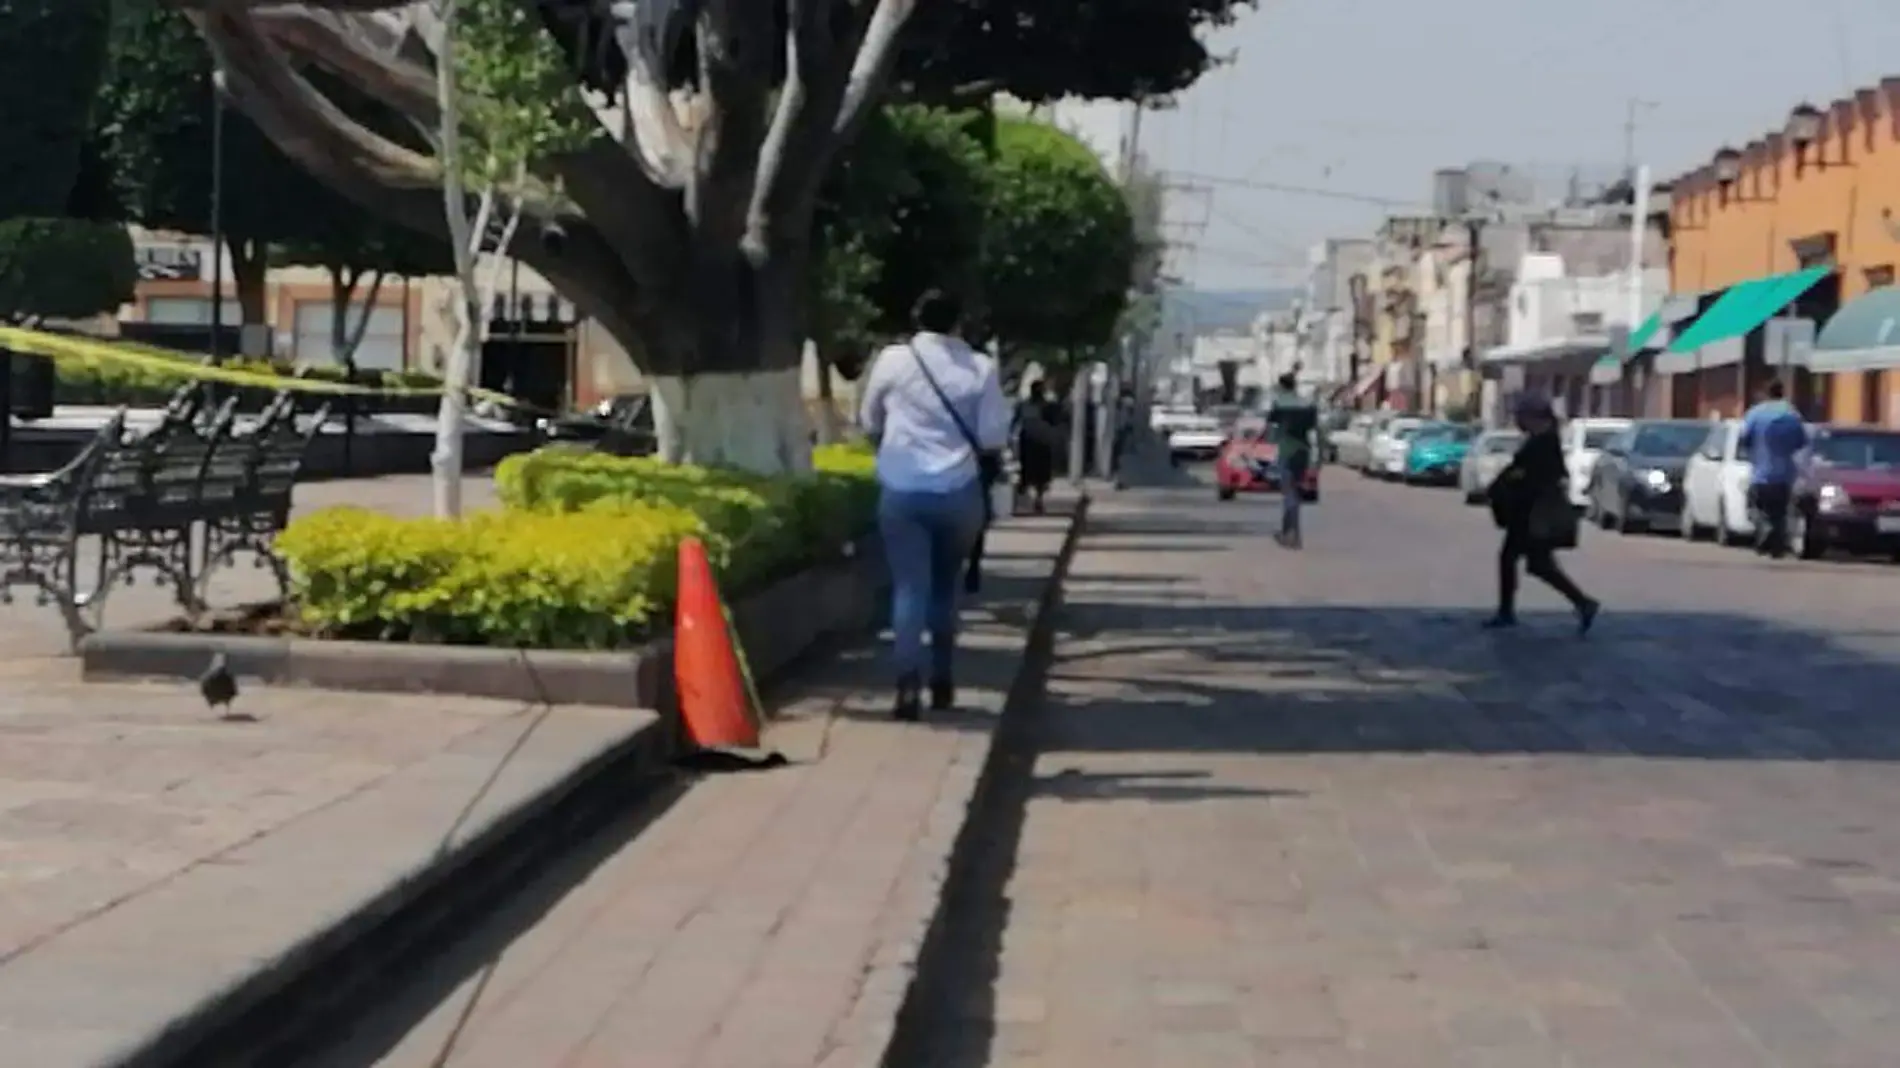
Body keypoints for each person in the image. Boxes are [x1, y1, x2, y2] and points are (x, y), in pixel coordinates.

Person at [859, 290, 1010, 720]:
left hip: (902, 492)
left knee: (909, 588)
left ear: (915, 318)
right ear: (959, 322)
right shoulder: (980, 368)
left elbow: (869, 420)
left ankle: (907, 684)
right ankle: (942, 680)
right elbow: (993, 437)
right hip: (959, 493)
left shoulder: (892, 360)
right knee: (945, 587)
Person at [1485, 392, 1600, 633]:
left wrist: (1512, 482)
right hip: (1528, 512)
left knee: (1517, 560)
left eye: (1521, 416)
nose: (1518, 421)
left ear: (1534, 417)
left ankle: (1508, 612)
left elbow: (1537, 476)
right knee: (1537, 564)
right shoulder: (1540, 439)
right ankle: (1582, 602)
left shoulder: (1544, 443)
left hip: (1533, 514)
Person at [1738, 378, 1809, 559]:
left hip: (1760, 472)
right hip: (1784, 473)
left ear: (1766, 393)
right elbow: (1801, 442)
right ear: (1782, 392)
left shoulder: (1755, 414)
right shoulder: (1792, 414)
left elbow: (1744, 439)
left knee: (1759, 508)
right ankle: (1776, 544)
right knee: (1779, 511)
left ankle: (1766, 535)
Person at [1264, 372, 1319, 548]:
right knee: (1296, 492)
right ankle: (1291, 532)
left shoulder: (1278, 404)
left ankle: (1291, 533)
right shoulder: (1307, 404)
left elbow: (1271, 432)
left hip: (1286, 450)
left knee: (1289, 494)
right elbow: (1315, 430)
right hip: (1303, 451)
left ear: (1281, 386)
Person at [1013, 378, 1062, 514]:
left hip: (1036, 442)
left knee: (1035, 473)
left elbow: (1014, 422)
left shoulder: (1038, 406)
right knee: (1032, 473)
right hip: (1034, 442)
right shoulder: (1037, 405)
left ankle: (1034, 500)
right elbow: (1055, 423)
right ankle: (1031, 499)